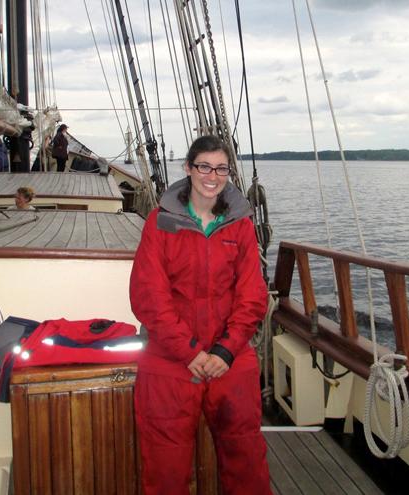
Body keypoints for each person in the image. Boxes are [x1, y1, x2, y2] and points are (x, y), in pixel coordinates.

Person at [129, 135, 272, 494]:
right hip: (171, 359)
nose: (212, 176)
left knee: (247, 462)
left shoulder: (239, 225)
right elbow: (149, 297)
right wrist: (190, 352)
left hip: (230, 358)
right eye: (204, 166)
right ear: (188, 168)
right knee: (165, 469)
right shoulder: (160, 222)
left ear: (228, 172)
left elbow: (252, 295)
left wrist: (225, 351)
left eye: (221, 168)